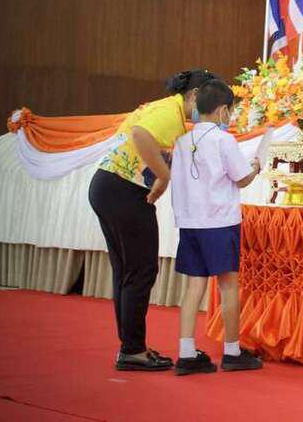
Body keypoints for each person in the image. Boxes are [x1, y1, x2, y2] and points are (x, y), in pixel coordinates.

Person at [90, 68, 216, 371]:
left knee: (127, 271)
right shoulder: (169, 113)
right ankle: (133, 350)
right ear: (194, 95)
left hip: (109, 186)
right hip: (123, 189)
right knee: (141, 270)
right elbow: (140, 135)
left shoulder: (167, 110)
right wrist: (164, 176)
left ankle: (131, 347)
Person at [169, 79, 263, 376]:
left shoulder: (182, 141)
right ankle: (232, 351)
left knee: (194, 285)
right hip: (220, 222)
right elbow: (241, 177)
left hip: (190, 222)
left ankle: (186, 353)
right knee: (228, 285)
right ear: (223, 110)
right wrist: (256, 168)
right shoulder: (224, 140)